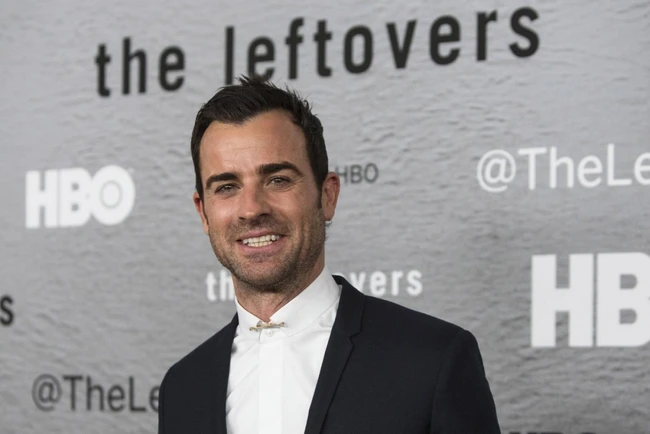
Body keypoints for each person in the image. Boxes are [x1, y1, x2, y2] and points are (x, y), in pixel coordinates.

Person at [158, 75, 500, 434]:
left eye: (277, 180)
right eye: (227, 187)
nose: (251, 209)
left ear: (327, 196)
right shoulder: (183, 387)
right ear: (203, 213)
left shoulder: (433, 359)